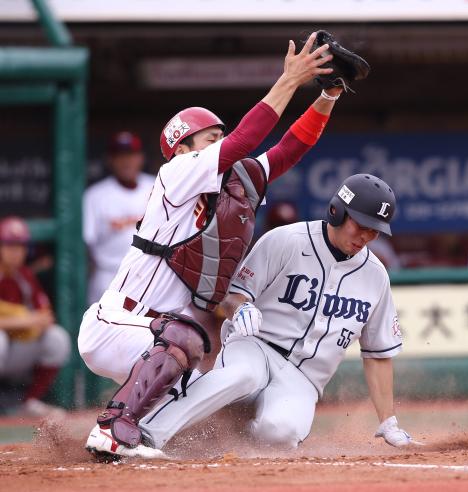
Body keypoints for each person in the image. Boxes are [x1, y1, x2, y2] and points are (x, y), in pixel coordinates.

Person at [81, 31, 342, 459]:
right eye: (210, 139)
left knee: (221, 394)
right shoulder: (176, 174)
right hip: (117, 325)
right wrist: (291, 80)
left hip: (158, 338)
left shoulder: (226, 183)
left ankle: (140, 441)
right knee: (188, 338)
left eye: (220, 137)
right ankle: (111, 430)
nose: (221, 146)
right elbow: (245, 140)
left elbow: (287, 151)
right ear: (182, 148)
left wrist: (328, 95)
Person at [134, 174, 418, 454]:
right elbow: (233, 296)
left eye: (375, 230)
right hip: (255, 347)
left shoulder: (376, 276)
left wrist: (388, 421)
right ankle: (143, 434)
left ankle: (223, 438)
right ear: (337, 211)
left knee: (280, 433)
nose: (366, 236)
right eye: (361, 225)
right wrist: (240, 307)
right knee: (241, 376)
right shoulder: (287, 240)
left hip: (304, 378)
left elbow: (378, 354)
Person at [0, 216, 71, 418]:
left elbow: (45, 316)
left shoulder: (25, 275)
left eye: (20, 246)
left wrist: (29, 322)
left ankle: (28, 402)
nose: (16, 252)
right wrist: (23, 319)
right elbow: (32, 318)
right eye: (9, 245)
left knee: (57, 338)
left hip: (17, 350)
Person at [83, 131, 156, 305]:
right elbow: (86, 244)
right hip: (109, 276)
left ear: (141, 158)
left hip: (150, 275)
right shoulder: (95, 195)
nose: (126, 161)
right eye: (120, 156)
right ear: (110, 160)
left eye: (131, 155)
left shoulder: (157, 186)